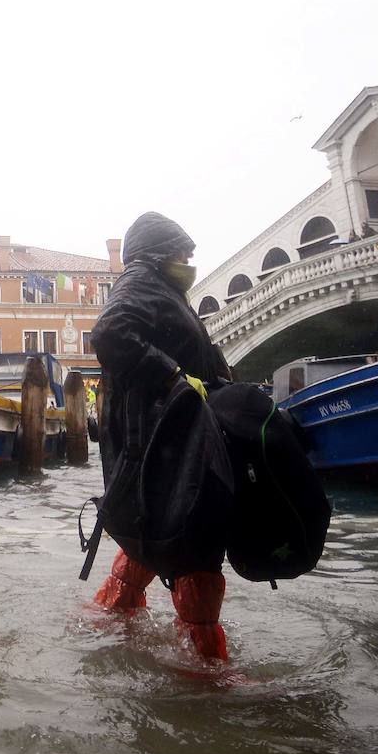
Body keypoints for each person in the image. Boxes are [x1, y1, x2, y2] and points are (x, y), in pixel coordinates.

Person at [90, 211, 233, 660]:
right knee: (193, 543)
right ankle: (206, 669)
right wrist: (173, 376)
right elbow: (110, 334)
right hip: (164, 445)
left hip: (169, 442)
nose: (189, 260)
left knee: (154, 529)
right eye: (181, 253)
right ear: (157, 253)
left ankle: (110, 619)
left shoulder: (162, 289)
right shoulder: (140, 283)